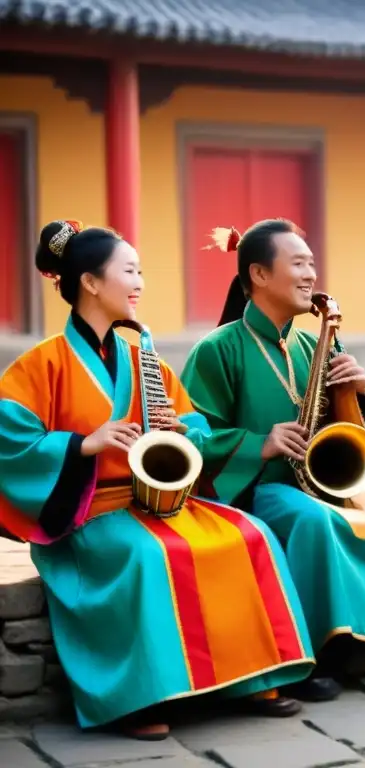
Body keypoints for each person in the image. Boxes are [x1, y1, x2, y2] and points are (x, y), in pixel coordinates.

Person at [0, 221, 315, 739]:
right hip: (88, 512)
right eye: (129, 271)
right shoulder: (40, 366)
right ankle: (139, 697)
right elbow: (12, 445)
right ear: (91, 283)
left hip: (154, 499)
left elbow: (193, 422)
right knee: (147, 554)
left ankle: (253, 674)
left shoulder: (141, 357)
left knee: (247, 534)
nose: (140, 282)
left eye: (141, 271)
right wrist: (82, 445)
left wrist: (178, 427)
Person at [179, 219, 365, 702]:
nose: (312, 274)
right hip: (259, 487)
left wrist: (360, 390)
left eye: (312, 263)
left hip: (327, 479)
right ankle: (316, 653)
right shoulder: (217, 349)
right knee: (312, 522)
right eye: (299, 263)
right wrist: (258, 443)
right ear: (260, 275)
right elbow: (190, 432)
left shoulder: (318, 343)